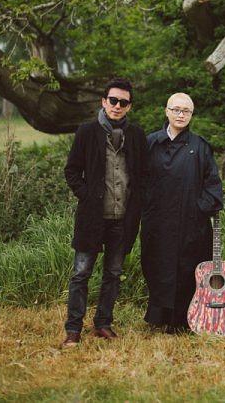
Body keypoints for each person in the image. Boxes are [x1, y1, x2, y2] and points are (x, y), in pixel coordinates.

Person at [62, 78, 148, 346]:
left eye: (123, 102)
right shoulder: (87, 132)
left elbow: (143, 176)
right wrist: (87, 196)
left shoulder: (136, 135)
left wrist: (138, 205)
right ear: (103, 101)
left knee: (113, 273)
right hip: (92, 218)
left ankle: (103, 323)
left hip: (123, 219)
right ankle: (73, 329)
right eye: (113, 100)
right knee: (81, 274)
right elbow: (71, 171)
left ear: (129, 106)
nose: (117, 106)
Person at [141, 92, 223, 332]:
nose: (180, 114)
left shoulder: (200, 146)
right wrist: (147, 208)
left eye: (186, 111)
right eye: (176, 109)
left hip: (190, 223)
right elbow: (139, 181)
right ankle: (159, 316)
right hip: (157, 221)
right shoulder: (150, 143)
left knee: (187, 268)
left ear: (191, 115)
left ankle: (184, 318)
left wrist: (197, 209)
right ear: (166, 111)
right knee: (156, 265)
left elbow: (213, 186)